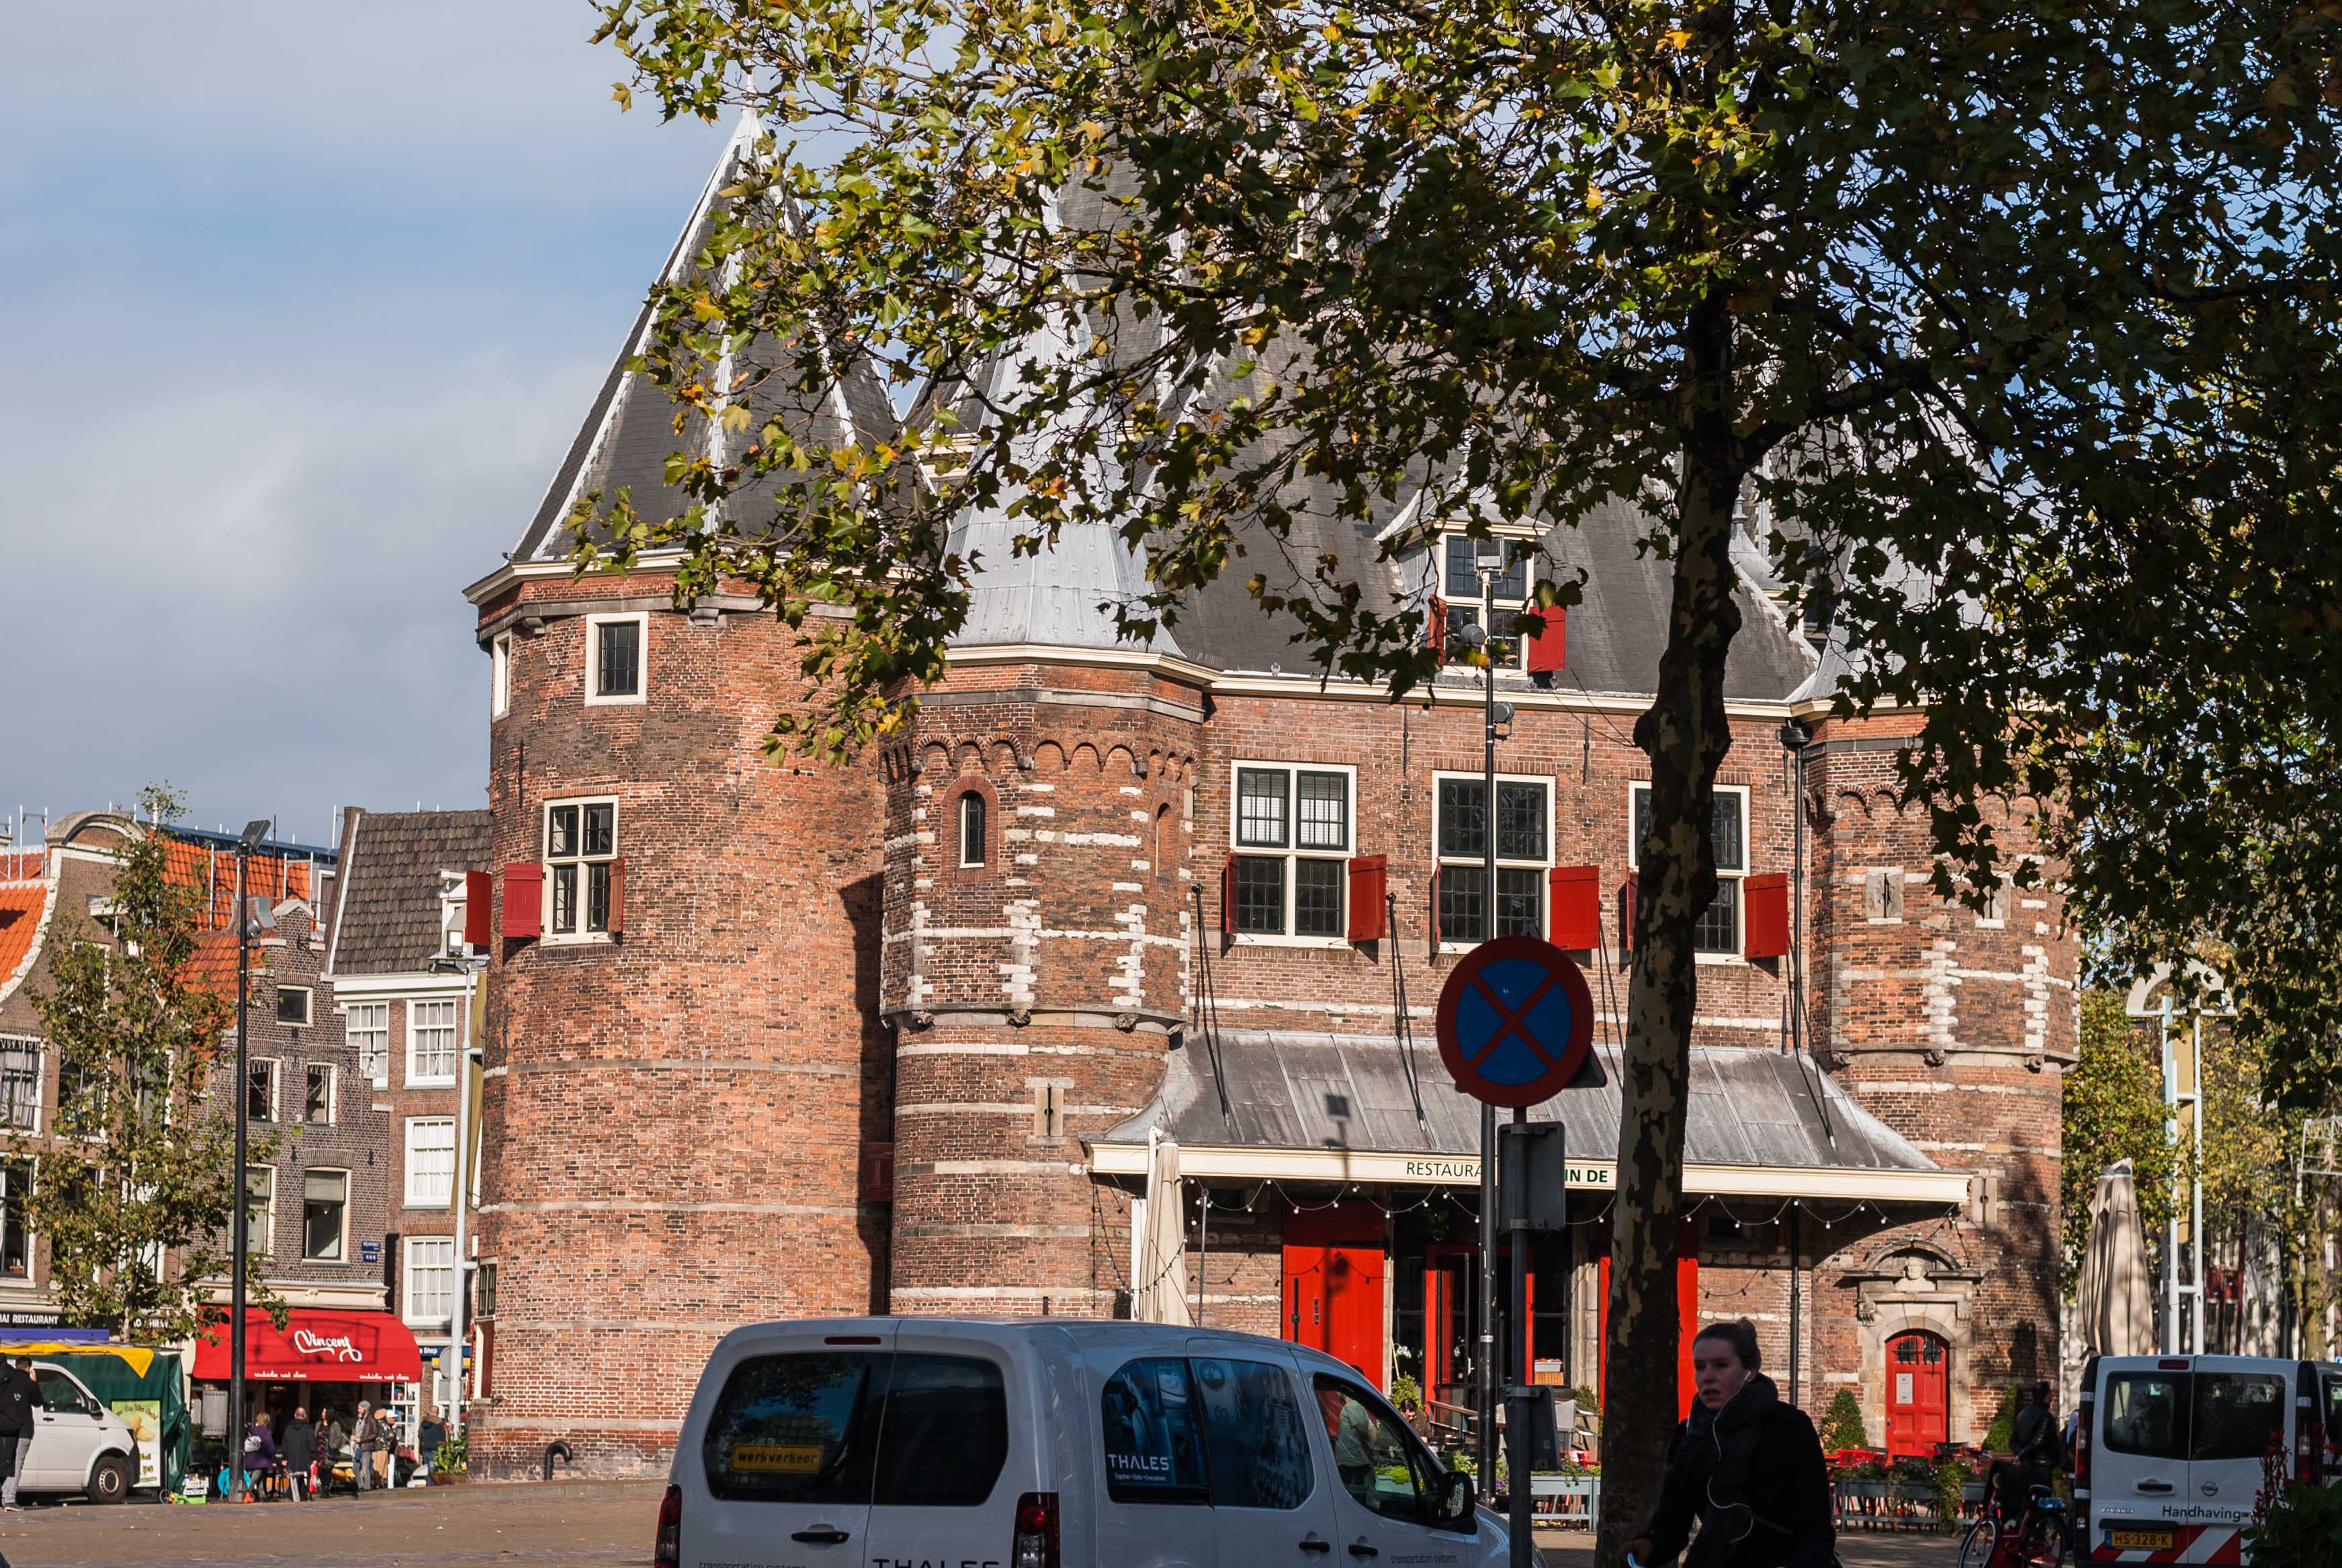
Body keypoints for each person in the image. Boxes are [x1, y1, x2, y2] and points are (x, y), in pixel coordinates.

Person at [1627, 1320, 1835, 1568]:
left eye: (1721, 1365)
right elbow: (1673, 1519)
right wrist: (1648, 1545)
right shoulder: (1689, 1434)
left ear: (1750, 1372)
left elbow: (1815, 1523)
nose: (1708, 1377)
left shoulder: (1789, 1427)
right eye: (1700, 1367)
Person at [1996, 1381, 2061, 1518]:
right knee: (2042, 1507)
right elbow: (2038, 1441)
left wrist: (2020, 1455)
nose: (2052, 1398)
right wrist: (2022, 1456)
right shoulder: (2046, 1417)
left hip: (2025, 1467)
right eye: (2050, 1395)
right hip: (2042, 1467)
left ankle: (2023, 1528)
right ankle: (2038, 1530)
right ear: (2047, 1396)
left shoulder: (2023, 1414)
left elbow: (2012, 1441)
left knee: (2026, 1504)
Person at [0, 1356, 36, 1512]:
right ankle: (9, 1498)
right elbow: (38, 1401)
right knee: (16, 1463)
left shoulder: (9, 1378)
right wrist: (34, 1382)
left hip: (7, 1427)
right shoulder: (22, 1380)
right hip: (21, 1428)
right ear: (28, 1368)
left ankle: (6, 1497)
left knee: (9, 1462)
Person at [281, 1406, 317, 1502]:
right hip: (305, 1460)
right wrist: (313, 1457)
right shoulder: (308, 1429)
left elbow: (285, 1445)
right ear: (305, 1416)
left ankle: (297, 1496)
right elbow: (312, 1445)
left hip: (291, 1459)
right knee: (301, 1478)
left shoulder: (288, 1429)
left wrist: (285, 1458)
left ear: (295, 1415)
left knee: (296, 1478)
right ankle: (297, 1496)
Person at [243, 1411, 281, 1498]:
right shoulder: (266, 1432)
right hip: (261, 1459)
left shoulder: (251, 1430)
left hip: (250, 1458)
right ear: (267, 1422)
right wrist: (274, 1460)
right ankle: (247, 1493)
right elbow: (270, 1446)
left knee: (260, 1476)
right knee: (258, 1474)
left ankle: (262, 1495)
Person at [353, 1401, 380, 1493]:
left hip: (367, 1447)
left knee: (365, 1468)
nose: (358, 1410)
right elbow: (358, 1432)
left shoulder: (371, 1420)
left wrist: (362, 1439)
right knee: (355, 1469)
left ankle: (367, 1487)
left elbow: (375, 1434)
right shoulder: (359, 1420)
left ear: (365, 1409)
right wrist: (354, 1437)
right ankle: (361, 1486)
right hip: (359, 1447)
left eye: (360, 1408)